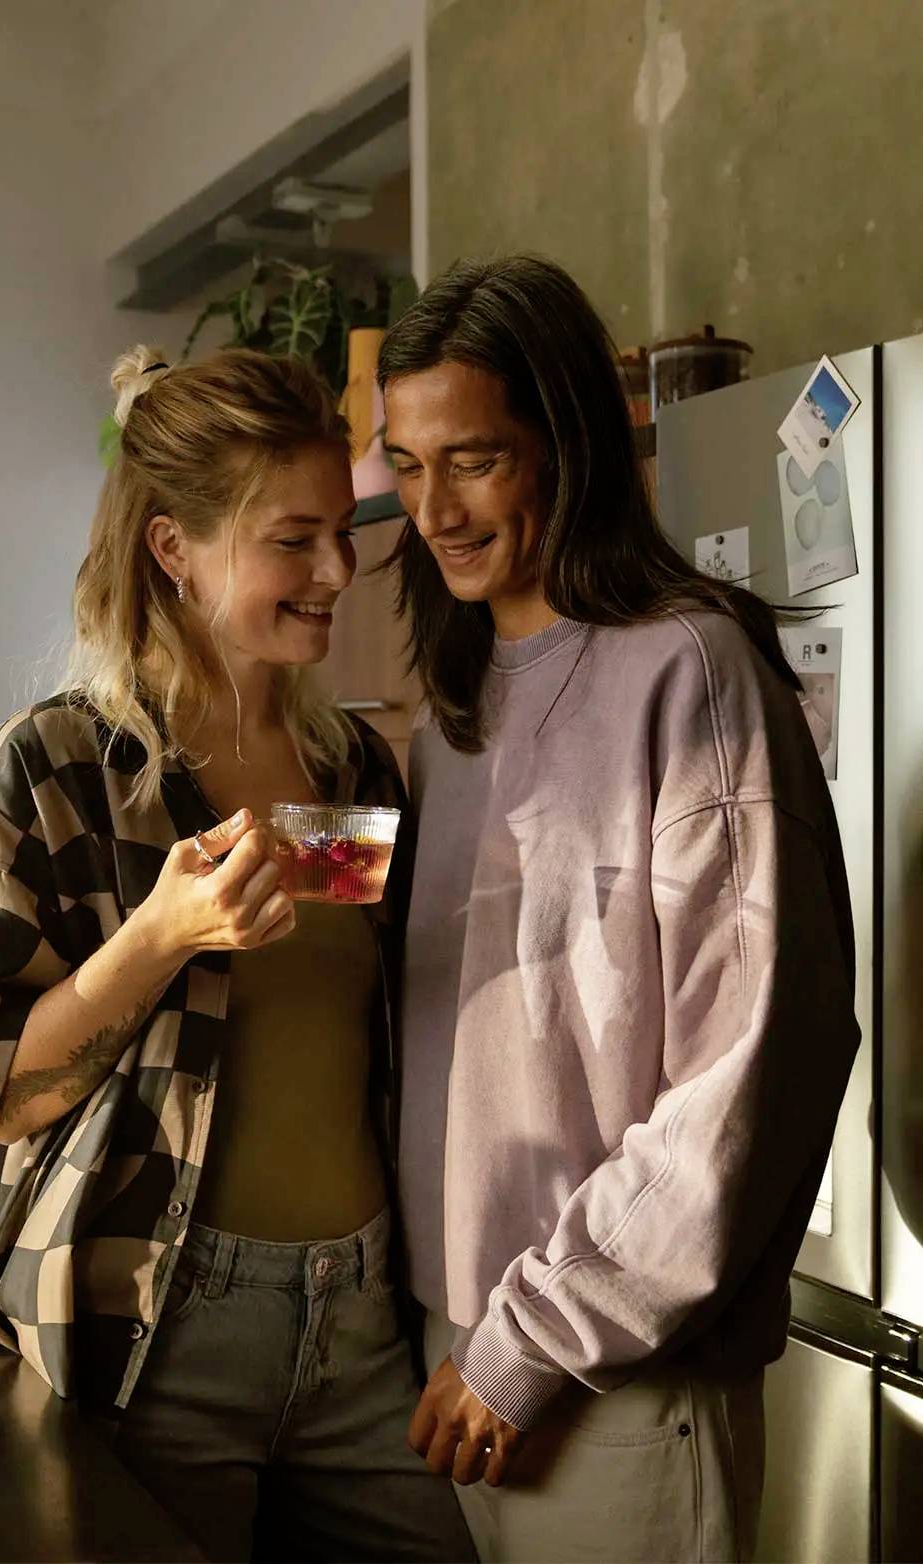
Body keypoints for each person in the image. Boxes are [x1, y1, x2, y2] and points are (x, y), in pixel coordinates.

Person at [0, 347, 474, 1563]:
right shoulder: (61, 767)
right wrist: (160, 934)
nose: (336, 571)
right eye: (293, 540)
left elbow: (367, 1028)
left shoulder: (347, 771)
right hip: (158, 1330)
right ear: (173, 547)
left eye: (341, 533)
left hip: (363, 1322)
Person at [378, 254, 859, 1563]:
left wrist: (529, 1344)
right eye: (407, 467)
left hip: (610, 1377)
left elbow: (747, 1074)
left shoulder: (689, 671)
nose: (434, 510)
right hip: (447, 1358)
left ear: (565, 443)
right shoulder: (449, 714)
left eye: (473, 460)